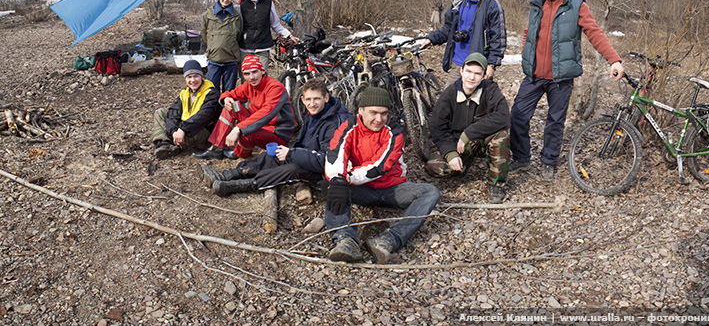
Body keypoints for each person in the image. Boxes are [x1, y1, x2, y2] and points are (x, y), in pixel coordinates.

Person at [510, 0, 624, 181]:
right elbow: (528, 32)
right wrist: (526, 54)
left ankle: (549, 161)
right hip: (534, 75)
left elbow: (595, 33)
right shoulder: (537, 5)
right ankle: (522, 158)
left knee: (555, 121)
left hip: (560, 78)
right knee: (518, 115)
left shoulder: (576, 6)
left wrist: (614, 59)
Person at [324, 87, 440, 264]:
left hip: (392, 189)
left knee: (430, 192)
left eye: (384, 113)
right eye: (373, 113)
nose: (379, 119)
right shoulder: (349, 126)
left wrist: (345, 178)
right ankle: (345, 240)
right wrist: (338, 179)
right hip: (362, 189)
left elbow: (379, 167)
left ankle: (388, 240)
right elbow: (335, 154)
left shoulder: (395, 131)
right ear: (361, 111)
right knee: (332, 185)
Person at [200, 78, 350, 197]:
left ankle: (241, 185)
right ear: (303, 100)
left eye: (316, 99)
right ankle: (229, 174)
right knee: (273, 156)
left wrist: (293, 154)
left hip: (324, 172)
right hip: (308, 155)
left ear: (326, 98)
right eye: (308, 100)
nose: (312, 104)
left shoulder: (335, 123)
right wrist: (292, 153)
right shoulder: (314, 113)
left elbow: (329, 160)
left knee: (291, 169)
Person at [426, 53, 511, 203]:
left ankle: (496, 184)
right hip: (457, 144)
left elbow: (503, 116)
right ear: (461, 71)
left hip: (481, 140)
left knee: (501, 135)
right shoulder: (449, 94)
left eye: (477, 74)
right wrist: (450, 153)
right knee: (434, 167)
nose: (472, 77)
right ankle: (463, 162)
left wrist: (469, 133)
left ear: (484, 75)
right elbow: (437, 127)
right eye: (469, 72)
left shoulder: (490, 90)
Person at [193, 54, 295, 160]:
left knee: (246, 131)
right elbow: (231, 94)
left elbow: (267, 112)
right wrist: (226, 99)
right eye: (247, 73)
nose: (252, 77)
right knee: (231, 106)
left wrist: (238, 128)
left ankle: (240, 153)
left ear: (262, 71)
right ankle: (216, 148)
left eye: (255, 72)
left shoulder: (275, 87)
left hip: (276, 133)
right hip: (259, 126)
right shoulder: (249, 85)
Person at [420, 0, 506, 84]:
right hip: (458, 64)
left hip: (478, 65)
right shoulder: (458, 2)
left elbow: (498, 38)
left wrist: (492, 64)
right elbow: (448, 29)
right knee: (448, 101)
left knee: (476, 101)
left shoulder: (491, 5)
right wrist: (431, 39)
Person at [151, 60, 221, 159]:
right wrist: (174, 131)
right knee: (160, 112)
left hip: (201, 132)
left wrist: (183, 129)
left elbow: (203, 116)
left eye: (196, 76)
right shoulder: (185, 93)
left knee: (195, 129)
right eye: (189, 77)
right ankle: (164, 144)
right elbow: (173, 112)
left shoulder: (211, 93)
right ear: (185, 78)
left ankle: (173, 143)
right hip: (185, 128)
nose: (193, 80)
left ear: (201, 76)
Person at [239, 0, 299, 73]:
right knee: (246, 81)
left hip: (263, 47)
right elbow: (239, 27)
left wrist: (289, 35)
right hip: (245, 49)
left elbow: (275, 24)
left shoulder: (268, 3)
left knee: (262, 79)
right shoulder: (242, 5)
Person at [201, 0, 241, 94]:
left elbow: (238, 35)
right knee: (211, 91)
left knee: (229, 92)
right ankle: (213, 111)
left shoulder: (236, 16)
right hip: (214, 59)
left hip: (231, 59)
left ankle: (226, 111)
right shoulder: (208, 14)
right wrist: (213, 46)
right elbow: (204, 34)